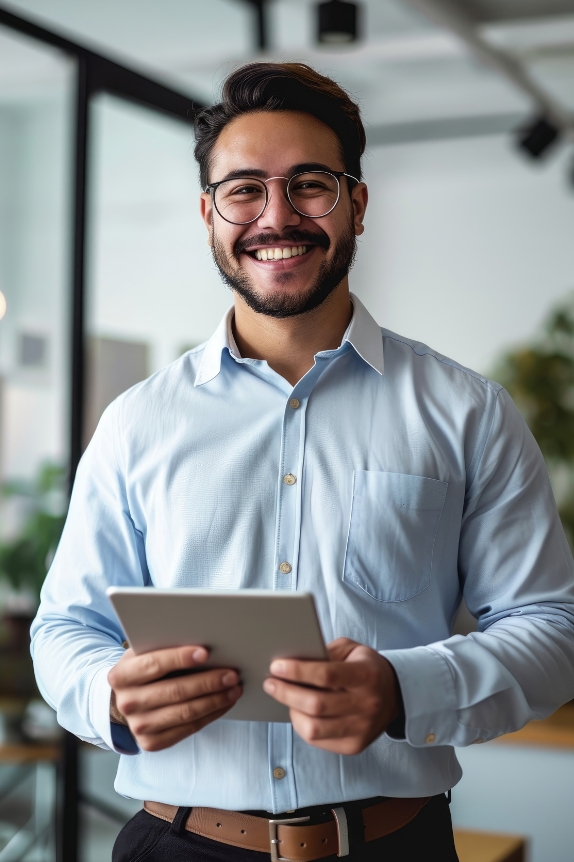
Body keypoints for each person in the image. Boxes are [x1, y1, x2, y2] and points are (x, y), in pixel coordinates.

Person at [32, 62, 574, 862]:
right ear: (209, 214)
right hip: (176, 846)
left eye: (310, 185)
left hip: (396, 845)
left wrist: (402, 690)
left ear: (357, 202)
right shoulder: (136, 424)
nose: (275, 217)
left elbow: (553, 629)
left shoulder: (468, 412)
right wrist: (103, 694)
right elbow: (65, 627)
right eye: (244, 189)